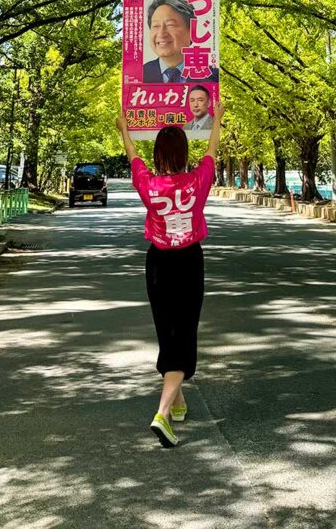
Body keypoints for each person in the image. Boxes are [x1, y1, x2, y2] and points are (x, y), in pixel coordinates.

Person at [117, 100, 223, 447]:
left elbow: (133, 157)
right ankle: (163, 412)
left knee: (167, 329)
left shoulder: (148, 184)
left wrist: (125, 129)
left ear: (159, 155)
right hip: (189, 261)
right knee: (184, 335)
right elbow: (212, 149)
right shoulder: (198, 181)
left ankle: (178, 403)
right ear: (183, 152)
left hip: (158, 264)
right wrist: (217, 118)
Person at [142, 0, 219, 84]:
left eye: (170, 25)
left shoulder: (213, 76)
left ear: (191, 31)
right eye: (156, 26)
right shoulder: (139, 74)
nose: (161, 34)